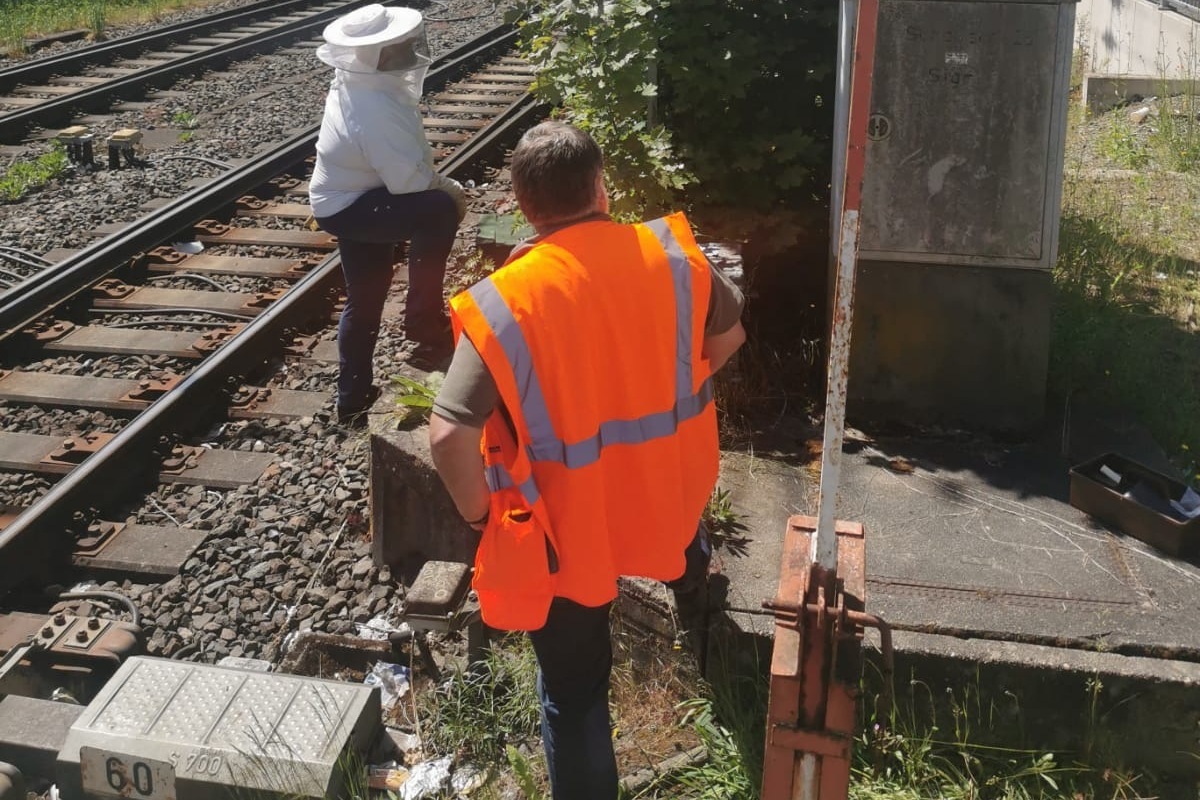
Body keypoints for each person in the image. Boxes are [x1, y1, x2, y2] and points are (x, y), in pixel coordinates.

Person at [428, 121, 745, 800]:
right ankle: (706, 632)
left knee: (574, 696)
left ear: (522, 204)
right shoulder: (674, 258)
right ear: (602, 186)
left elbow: (448, 435)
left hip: (566, 532)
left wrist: (484, 516)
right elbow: (728, 337)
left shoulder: (506, 301)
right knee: (684, 551)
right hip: (668, 492)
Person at [308, 4, 467, 425]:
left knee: (366, 297)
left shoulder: (358, 84)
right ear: (380, 54)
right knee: (438, 210)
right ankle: (423, 319)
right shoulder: (373, 105)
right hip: (354, 204)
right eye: (403, 46)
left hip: (350, 198)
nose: (413, 51)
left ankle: (353, 398)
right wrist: (451, 191)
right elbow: (412, 184)